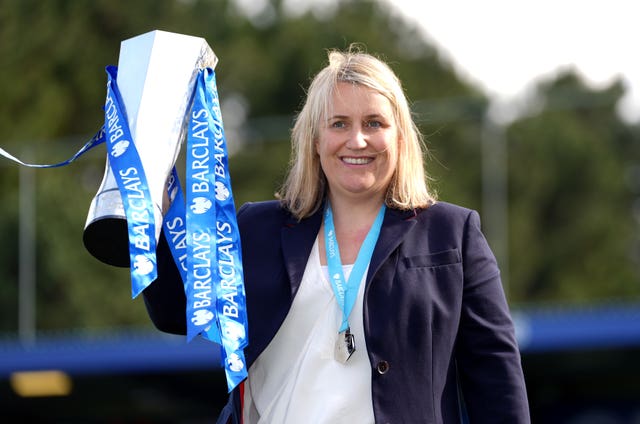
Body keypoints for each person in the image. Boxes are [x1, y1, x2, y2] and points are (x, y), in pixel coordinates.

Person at [143, 45, 531, 423]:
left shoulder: (451, 233)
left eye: (374, 123)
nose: (357, 140)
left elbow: (497, 382)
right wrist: (152, 202)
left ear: (399, 137)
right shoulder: (256, 229)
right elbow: (176, 310)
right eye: (339, 123)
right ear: (315, 138)